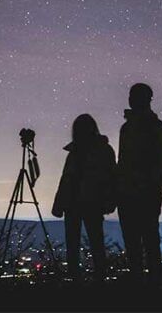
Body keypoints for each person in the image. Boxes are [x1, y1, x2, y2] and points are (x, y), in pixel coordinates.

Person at [51, 114, 117, 282]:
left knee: (86, 243)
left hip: (87, 202)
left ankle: (87, 279)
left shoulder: (81, 152)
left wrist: (59, 204)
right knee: (90, 242)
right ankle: (90, 278)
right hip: (82, 203)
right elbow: (66, 179)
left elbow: (109, 178)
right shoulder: (100, 151)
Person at [117, 82, 162, 284]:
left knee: (146, 240)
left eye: (134, 96)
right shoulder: (129, 128)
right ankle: (141, 283)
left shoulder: (153, 127)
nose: (130, 99)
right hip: (133, 192)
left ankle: (148, 285)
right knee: (139, 241)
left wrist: (140, 180)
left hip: (144, 193)